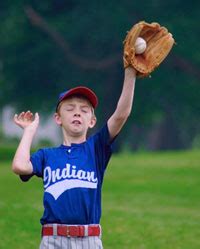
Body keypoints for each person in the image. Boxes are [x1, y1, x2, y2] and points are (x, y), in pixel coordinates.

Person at [12, 66, 136, 249]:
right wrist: (29, 131)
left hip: (89, 240)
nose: (77, 112)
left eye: (85, 110)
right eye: (70, 109)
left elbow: (121, 115)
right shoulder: (47, 156)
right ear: (58, 118)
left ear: (92, 121)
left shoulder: (96, 149)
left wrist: (130, 72)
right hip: (52, 240)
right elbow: (20, 167)